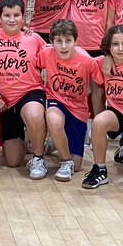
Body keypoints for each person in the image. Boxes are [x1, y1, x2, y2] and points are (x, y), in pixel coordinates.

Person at [0, 0, 48, 174]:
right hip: (4, 101)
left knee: (33, 114)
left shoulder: (34, 38)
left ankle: (38, 158)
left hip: (29, 92)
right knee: (13, 161)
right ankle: (34, 137)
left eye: (16, 15)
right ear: (0, 17)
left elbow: (52, 59)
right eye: (7, 15)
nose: (12, 20)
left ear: (23, 17)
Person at [37, 20, 101, 181]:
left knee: (78, 165)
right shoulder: (45, 53)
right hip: (56, 100)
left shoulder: (86, 60)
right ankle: (65, 162)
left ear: (76, 41)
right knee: (53, 120)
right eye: (58, 41)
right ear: (51, 42)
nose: (63, 46)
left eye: (68, 41)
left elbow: (98, 85)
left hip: (78, 109)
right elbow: (35, 66)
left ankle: (57, 143)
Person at [82, 25, 123, 189]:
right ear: (108, 47)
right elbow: (77, 58)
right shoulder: (101, 63)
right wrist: (107, 56)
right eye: (115, 44)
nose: (121, 48)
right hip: (117, 114)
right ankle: (100, 169)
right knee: (99, 121)